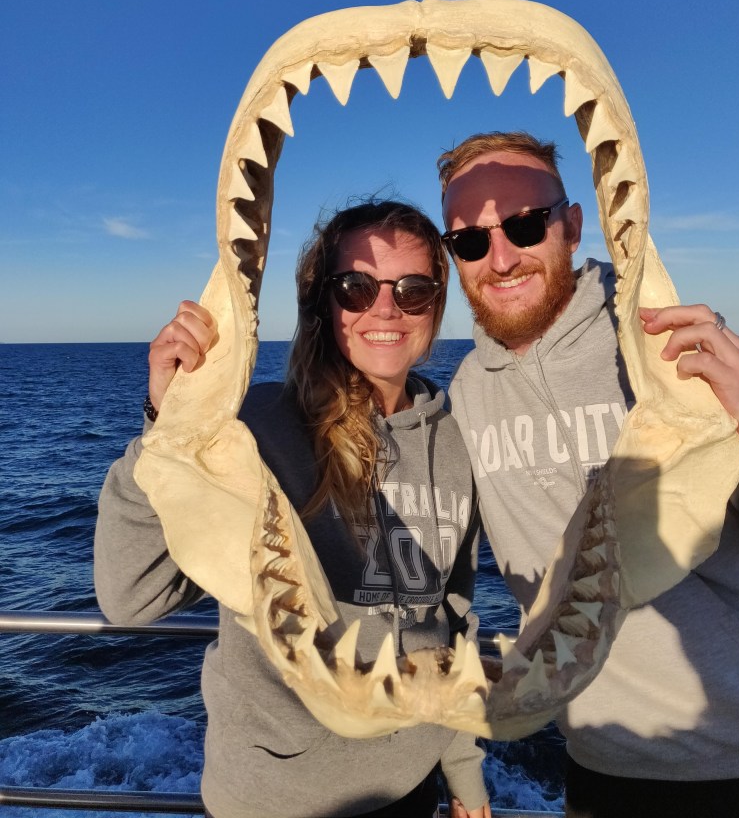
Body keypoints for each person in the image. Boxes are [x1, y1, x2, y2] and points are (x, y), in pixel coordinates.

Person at [94, 200, 491, 818]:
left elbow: (453, 618)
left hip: (412, 787)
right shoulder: (257, 427)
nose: (386, 309)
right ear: (323, 303)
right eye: (356, 288)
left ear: (436, 308)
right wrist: (170, 429)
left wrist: (462, 766)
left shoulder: (458, 440)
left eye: (413, 290)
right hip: (277, 800)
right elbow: (132, 596)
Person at [438, 131, 739, 818]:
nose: (501, 258)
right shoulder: (464, 392)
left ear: (571, 224)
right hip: (597, 767)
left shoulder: (670, 342)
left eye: (525, 225)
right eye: (469, 241)